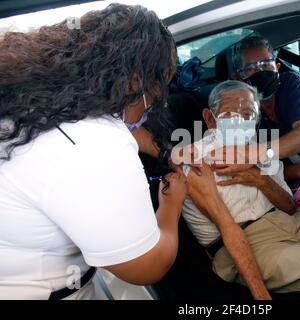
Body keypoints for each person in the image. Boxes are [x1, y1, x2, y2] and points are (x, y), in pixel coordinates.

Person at [0, 4, 187, 299]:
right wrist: (170, 206)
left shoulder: (31, 95)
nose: (154, 103)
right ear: (135, 82)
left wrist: (167, 154)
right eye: (157, 88)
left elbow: (116, 121)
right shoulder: (96, 147)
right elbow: (146, 267)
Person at [183, 80, 300, 299]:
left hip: (294, 221)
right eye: (230, 114)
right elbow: (227, 229)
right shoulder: (194, 158)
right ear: (210, 118)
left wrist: (261, 180)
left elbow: (290, 207)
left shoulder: (261, 148)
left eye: (248, 115)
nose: (240, 122)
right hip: (252, 245)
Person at [210, 35, 300, 185]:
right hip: (294, 187)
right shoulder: (238, 112)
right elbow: (258, 170)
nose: (260, 71)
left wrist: (252, 154)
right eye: (250, 68)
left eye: (266, 64)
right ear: (237, 78)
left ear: (277, 67)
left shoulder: (290, 83)